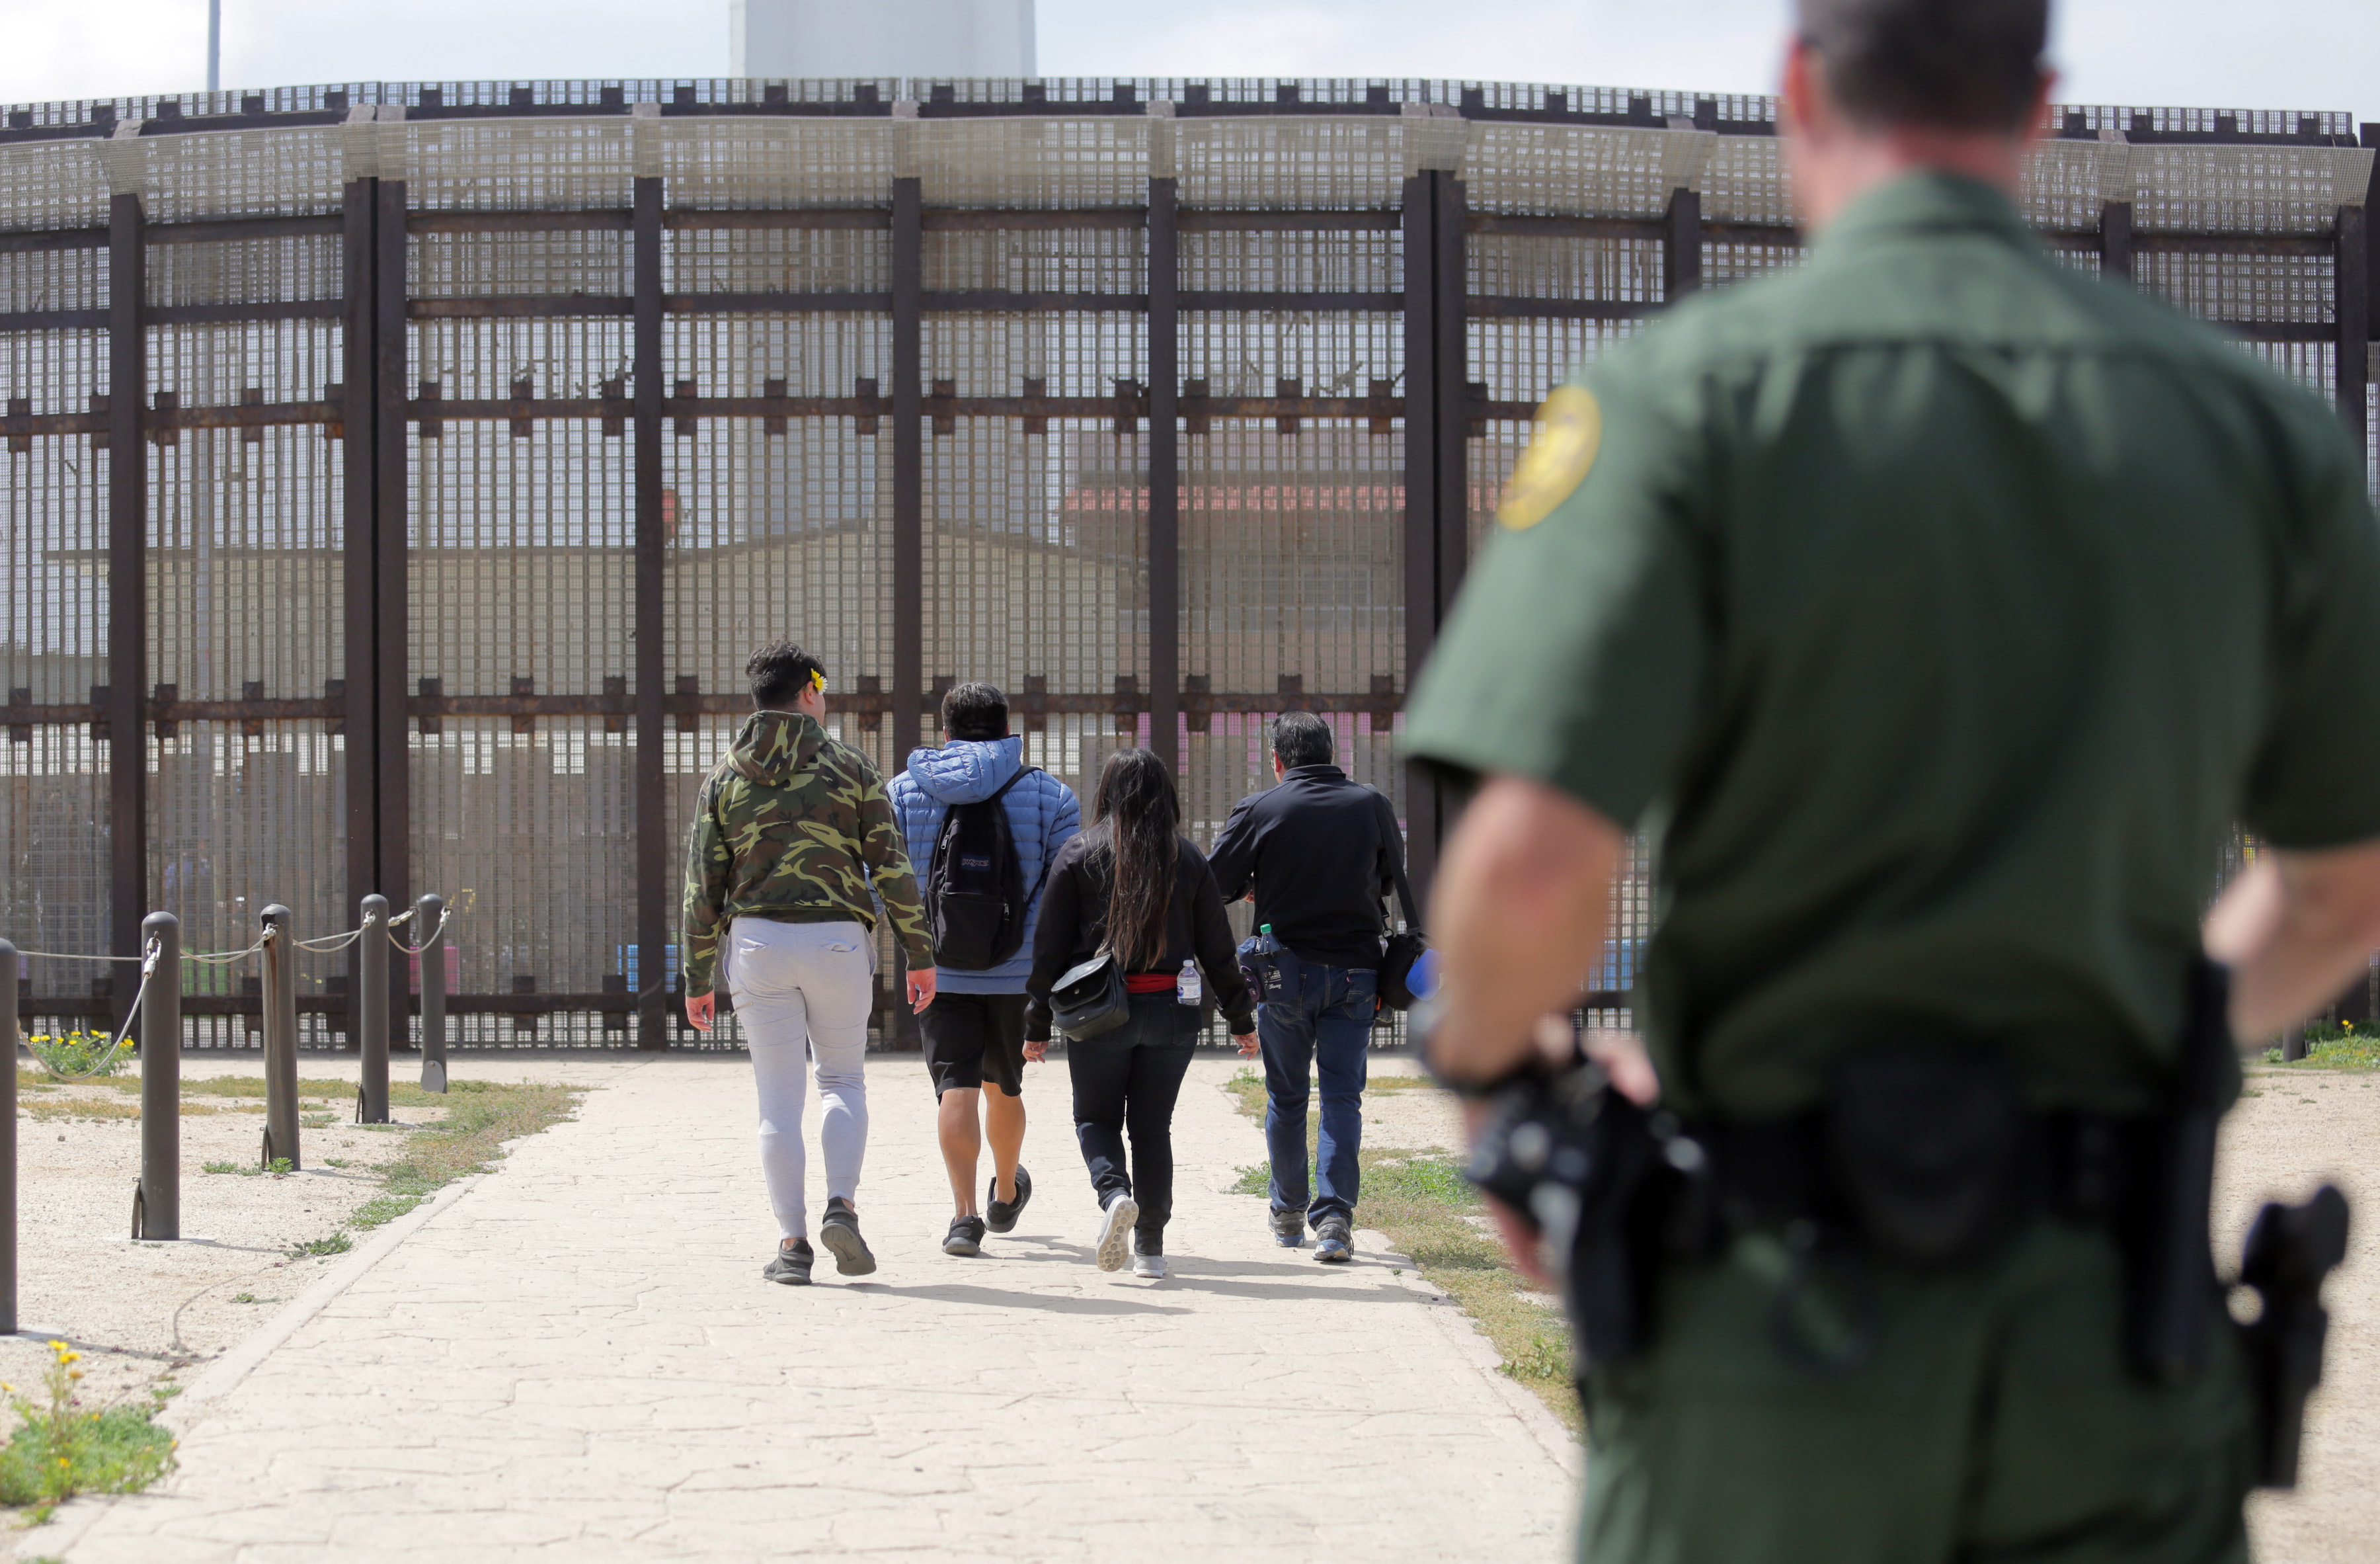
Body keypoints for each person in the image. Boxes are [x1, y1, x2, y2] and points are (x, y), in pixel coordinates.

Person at [1404, 1, 2380, 1559]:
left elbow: (1531, 868)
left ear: (1798, 87)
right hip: (2110, 1338)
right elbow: (2343, 885)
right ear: (2040, 107)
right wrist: (2144, 1025)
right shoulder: (2259, 431)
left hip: (1774, 1339)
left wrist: (1502, 1086)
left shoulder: (1687, 397)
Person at [682, 641, 937, 1286]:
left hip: (757, 945)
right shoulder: (850, 766)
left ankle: (793, 1244)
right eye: (822, 687)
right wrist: (919, 953)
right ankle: (842, 1206)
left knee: (777, 1100)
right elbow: (891, 865)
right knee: (842, 1081)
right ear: (809, 692)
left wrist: (696, 978)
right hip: (838, 942)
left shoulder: (724, 776)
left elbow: (701, 887)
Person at [1025, 748, 1259, 1278]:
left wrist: (1036, 1023)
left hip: (1099, 1015)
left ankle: (1114, 1196)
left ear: (1106, 792)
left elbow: (1049, 952)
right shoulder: (1188, 857)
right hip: (1174, 1015)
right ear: (1165, 794)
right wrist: (1242, 1020)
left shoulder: (1079, 853)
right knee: (1153, 1128)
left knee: (1095, 1118)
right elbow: (1219, 951)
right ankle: (1150, 1248)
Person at [1207, 711, 1416, 1263]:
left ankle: (1288, 1209)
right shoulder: (1370, 803)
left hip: (1285, 975)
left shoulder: (1262, 807)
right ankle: (1335, 1220)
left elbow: (1215, 883)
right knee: (1343, 1095)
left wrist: (1259, 884)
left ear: (1278, 761)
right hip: (1357, 973)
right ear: (1331, 752)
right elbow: (1391, 879)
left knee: (1288, 1095)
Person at [889, 681, 1082, 1258]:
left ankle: (964, 1217)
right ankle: (1004, 1191)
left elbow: (888, 883)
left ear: (944, 732)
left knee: (956, 1090)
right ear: (1007, 732)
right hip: (1016, 974)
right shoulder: (1050, 795)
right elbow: (1063, 893)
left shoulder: (902, 792)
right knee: (1004, 1086)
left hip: (937, 969)